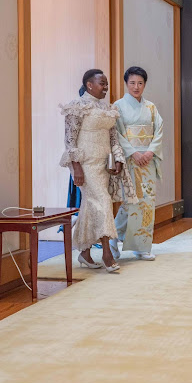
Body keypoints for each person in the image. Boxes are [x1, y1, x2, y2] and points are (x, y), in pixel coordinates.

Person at [59, 69, 137, 273]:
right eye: (102, 83)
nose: (106, 87)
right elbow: (69, 140)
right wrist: (75, 166)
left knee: (90, 206)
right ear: (89, 85)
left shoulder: (107, 109)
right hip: (85, 165)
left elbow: (114, 139)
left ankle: (84, 252)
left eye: (107, 83)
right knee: (103, 202)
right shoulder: (76, 107)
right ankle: (106, 253)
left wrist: (118, 159)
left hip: (104, 165)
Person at [109, 66, 164, 261]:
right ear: (126, 83)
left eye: (140, 83)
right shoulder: (118, 106)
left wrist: (149, 152)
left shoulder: (150, 107)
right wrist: (133, 153)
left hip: (147, 160)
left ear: (145, 84)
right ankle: (113, 236)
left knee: (147, 202)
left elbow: (159, 130)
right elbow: (117, 133)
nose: (136, 87)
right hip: (131, 160)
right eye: (132, 83)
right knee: (132, 201)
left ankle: (141, 246)